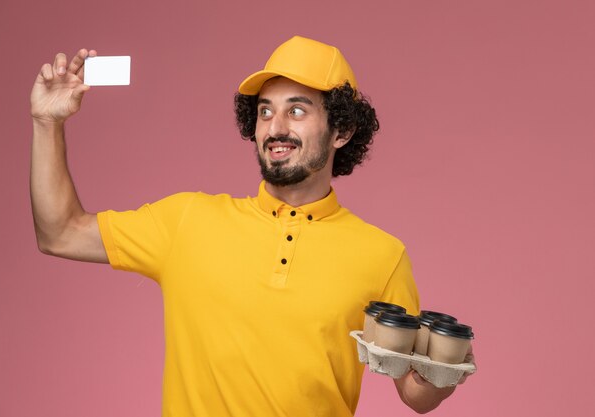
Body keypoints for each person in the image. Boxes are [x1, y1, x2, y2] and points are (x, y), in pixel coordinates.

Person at [30, 36, 471, 416]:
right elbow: (60, 232)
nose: (275, 128)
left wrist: (446, 368)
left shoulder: (382, 255)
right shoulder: (188, 220)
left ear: (342, 130)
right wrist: (47, 123)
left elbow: (416, 395)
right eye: (265, 112)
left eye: (297, 111)